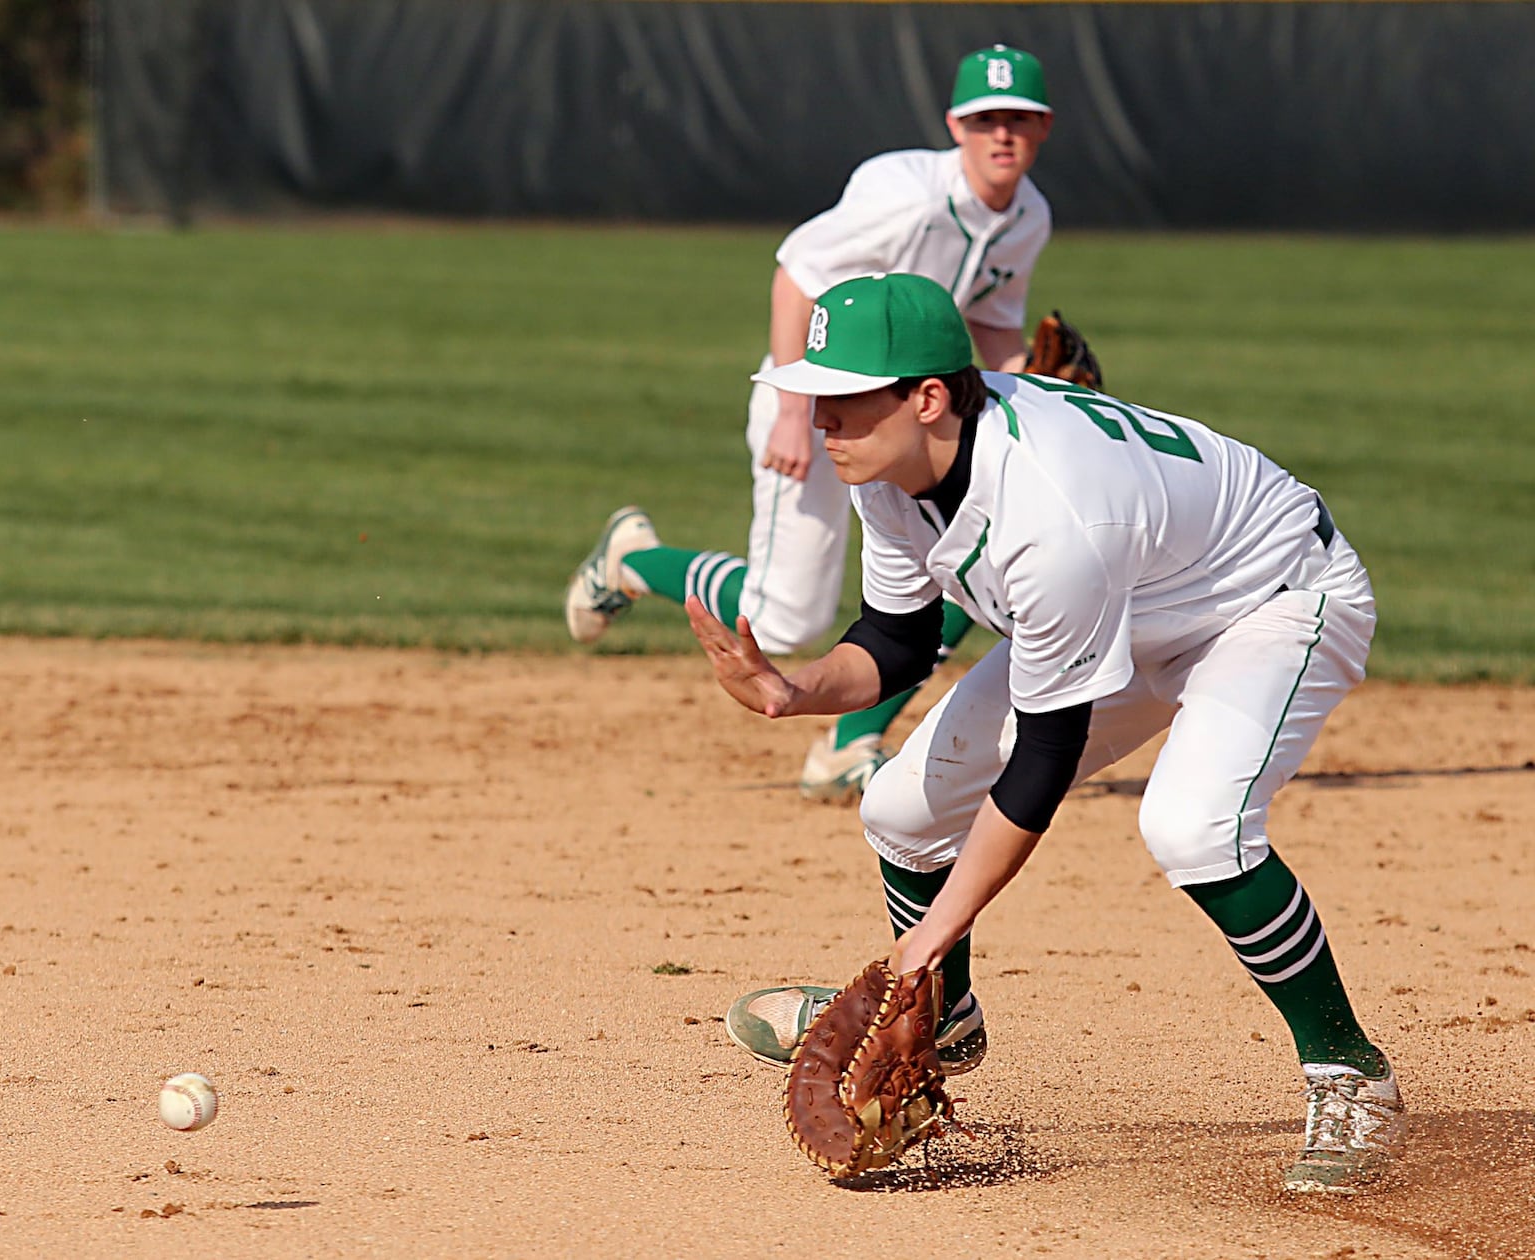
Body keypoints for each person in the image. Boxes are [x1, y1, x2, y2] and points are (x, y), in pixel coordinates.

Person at [698, 272, 1405, 1195]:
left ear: (929, 397)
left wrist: (917, 949)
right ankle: (944, 1016)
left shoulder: (1048, 515)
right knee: (903, 808)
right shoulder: (893, 465)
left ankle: (1351, 1074)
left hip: (1270, 600)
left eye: (843, 399)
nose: (821, 419)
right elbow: (896, 639)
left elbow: (1043, 762)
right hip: (1138, 600)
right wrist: (794, 690)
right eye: (816, 396)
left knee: (1194, 828)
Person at [566, 44, 1058, 802]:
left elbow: (992, 328)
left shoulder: (1027, 217)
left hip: (906, 416)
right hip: (819, 407)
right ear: (956, 125)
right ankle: (636, 561)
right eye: (987, 119)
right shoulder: (905, 194)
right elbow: (796, 276)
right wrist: (796, 415)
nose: (1003, 135)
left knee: (971, 561)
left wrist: (1041, 394)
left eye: (1019, 120)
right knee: (784, 620)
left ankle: (849, 742)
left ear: (1043, 129)